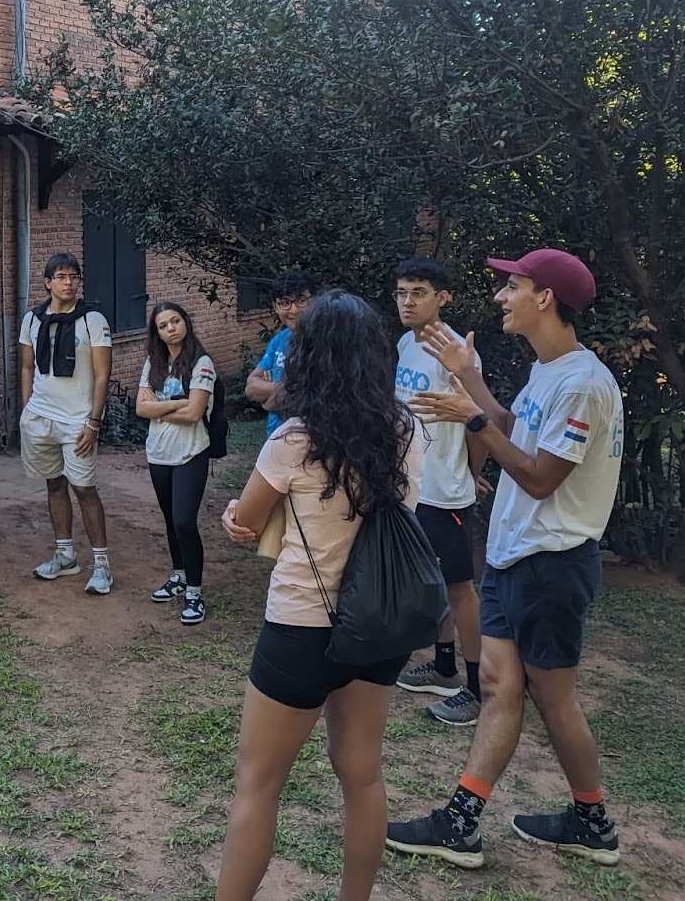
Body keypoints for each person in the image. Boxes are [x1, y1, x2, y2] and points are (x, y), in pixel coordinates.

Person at [387, 249, 624, 869]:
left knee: (552, 698)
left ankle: (592, 820)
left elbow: (540, 477)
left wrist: (471, 419)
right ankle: (461, 822)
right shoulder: (549, 372)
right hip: (514, 555)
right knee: (497, 686)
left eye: (512, 286)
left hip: (553, 562)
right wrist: (468, 379)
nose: (500, 297)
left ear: (544, 297)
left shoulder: (582, 384)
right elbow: (509, 427)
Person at [215, 290, 424, 901]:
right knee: (362, 776)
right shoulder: (406, 428)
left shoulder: (296, 439)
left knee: (258, 784)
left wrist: (235, 515)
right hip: (381, 620)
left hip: (303, 625)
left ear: (307, 356)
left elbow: (248, 522)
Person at [390, 258, 488, 726]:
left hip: (446, 489)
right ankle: (444, 664)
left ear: (443, 297)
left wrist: (472, 470)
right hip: (411, 483)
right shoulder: (406, 343)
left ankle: (477, 687)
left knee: (460, 587)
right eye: (402, 293)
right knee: (432, 580)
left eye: (419, 293)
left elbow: (478, 418)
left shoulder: (458, 352)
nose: (407, 302)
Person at [21, 253, 114, 595]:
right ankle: (65, 555)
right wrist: (28, 407)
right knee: (54, 484)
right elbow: (28, 366)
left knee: (85, 489)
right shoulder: (32, 319)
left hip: (78, 420)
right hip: (41, 417)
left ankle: (102, 565)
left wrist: (94, 422)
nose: (69, 282)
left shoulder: (92, 320)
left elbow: (103, 374)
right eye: (61, 276)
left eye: (74, 276)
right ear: (47, 282)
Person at [136, 302, 218, 625]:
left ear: (186, 322)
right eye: (163, 325)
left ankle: (194, 593)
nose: (171, 328)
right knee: (170, 520)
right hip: (158, 453)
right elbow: (141, 409)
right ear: (156, 332)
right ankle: (179, 575)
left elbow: (195, 414)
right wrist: (179, 402)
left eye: (175, 321)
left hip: (190, 453)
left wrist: (163, 405)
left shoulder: (202, 362)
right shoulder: (152, 363)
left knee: (185, 521)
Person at [245, 271, 315, 437]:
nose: (294, 309)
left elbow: (314, 397)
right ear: (275, 307)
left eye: (301, 300)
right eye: (285, 303)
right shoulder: (279, 340)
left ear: (313, 301)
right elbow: (251, 388)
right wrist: (282, 392)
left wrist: (268, 399)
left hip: (309, 438)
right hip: (275, 436)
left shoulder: (324, 341)